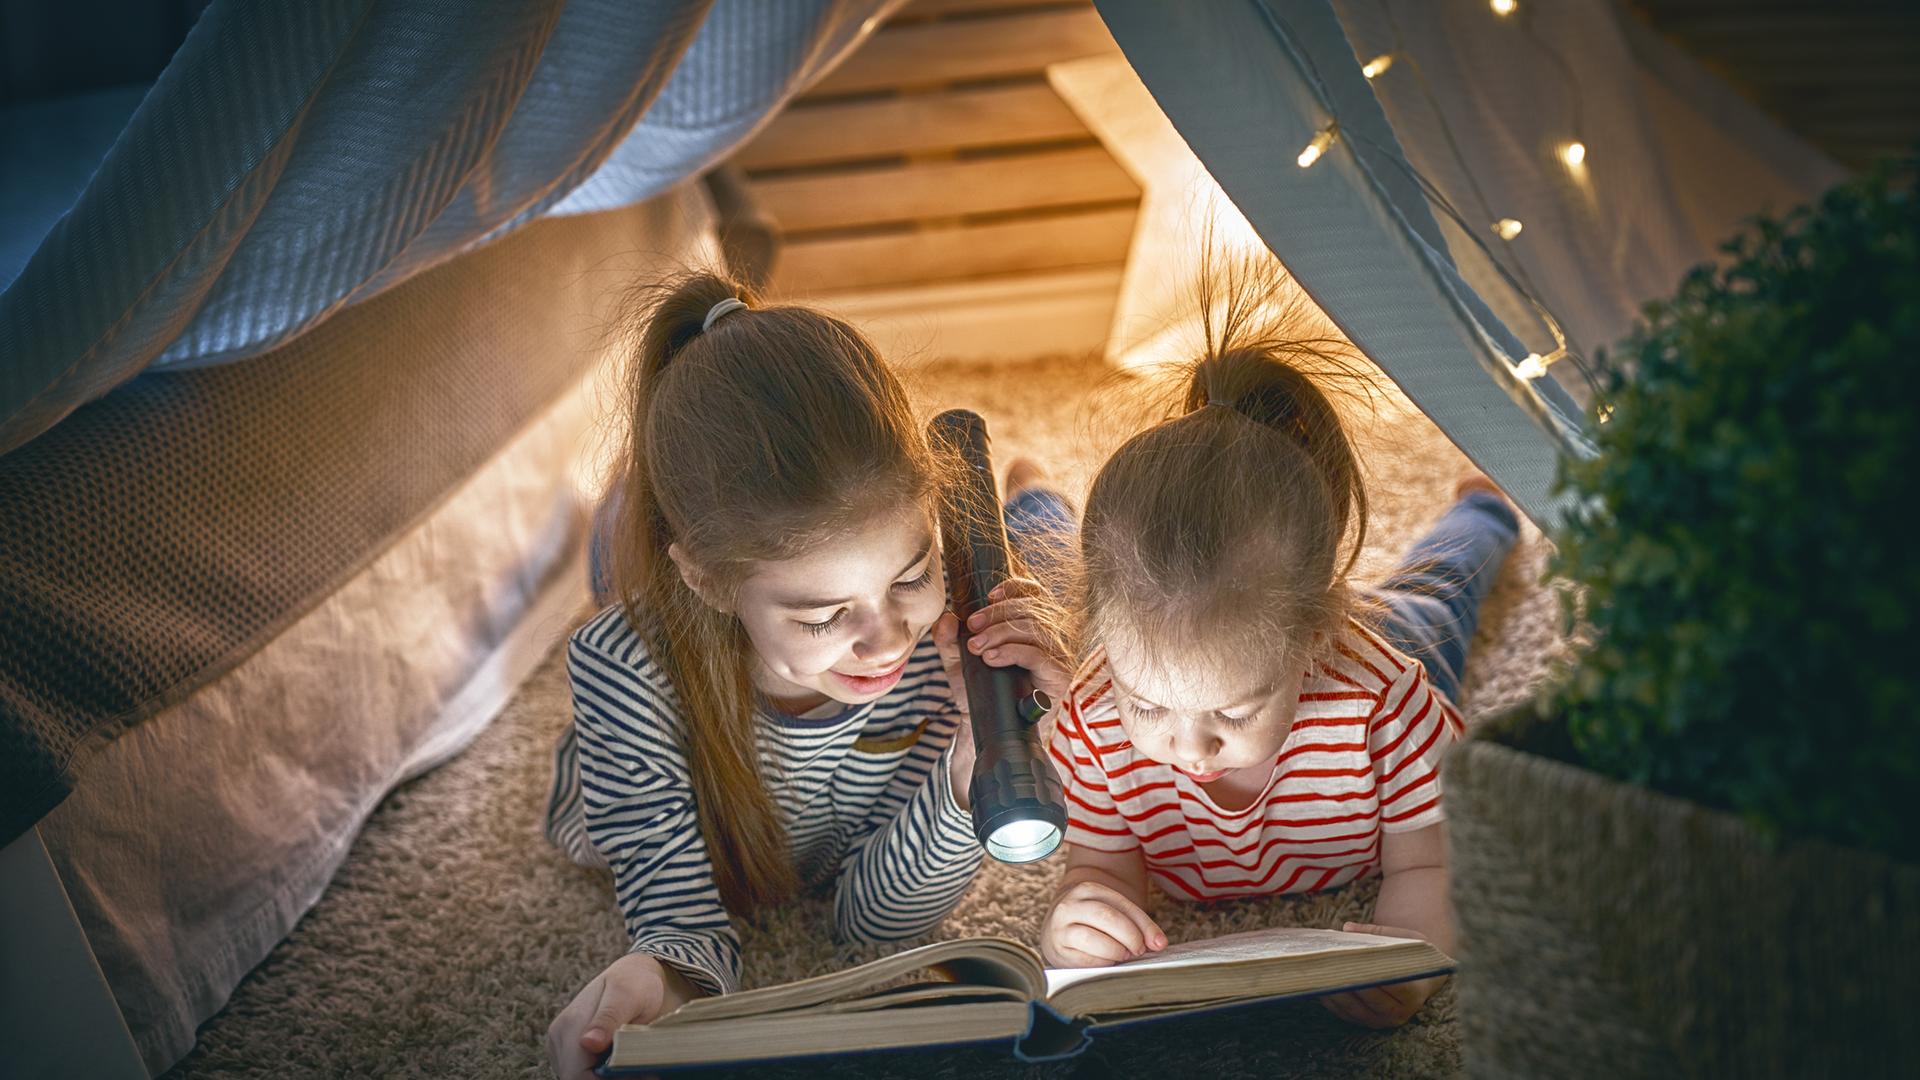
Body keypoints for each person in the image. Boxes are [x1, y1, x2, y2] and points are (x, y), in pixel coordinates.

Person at [543, 272, 1070, 1077]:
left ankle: (1029, 497)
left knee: (1051, 574)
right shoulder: (622, 668)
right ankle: (633, 496)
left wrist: (973, 764)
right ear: (712, 581)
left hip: (923, 563)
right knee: (614, 555)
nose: (885, 640)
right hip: (661, 600)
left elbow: (872, 919)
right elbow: (677, 918)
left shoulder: (949, 643)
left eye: (909, 573)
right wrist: (663, 975)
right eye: (822, 616)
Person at [1038, 266, 1520, 1030]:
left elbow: (1434, 860)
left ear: (1314, 641)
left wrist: (1411, 958)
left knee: (1435, 596)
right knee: (1040, 551)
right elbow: (1101, 864)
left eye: (1233, 709)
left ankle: (1485, 511)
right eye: (1149, 705)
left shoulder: (1384, 703)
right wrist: (1082, 918)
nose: (1189, 748)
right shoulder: (1090, 717)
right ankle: (1035, 500)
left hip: (1389, 635)